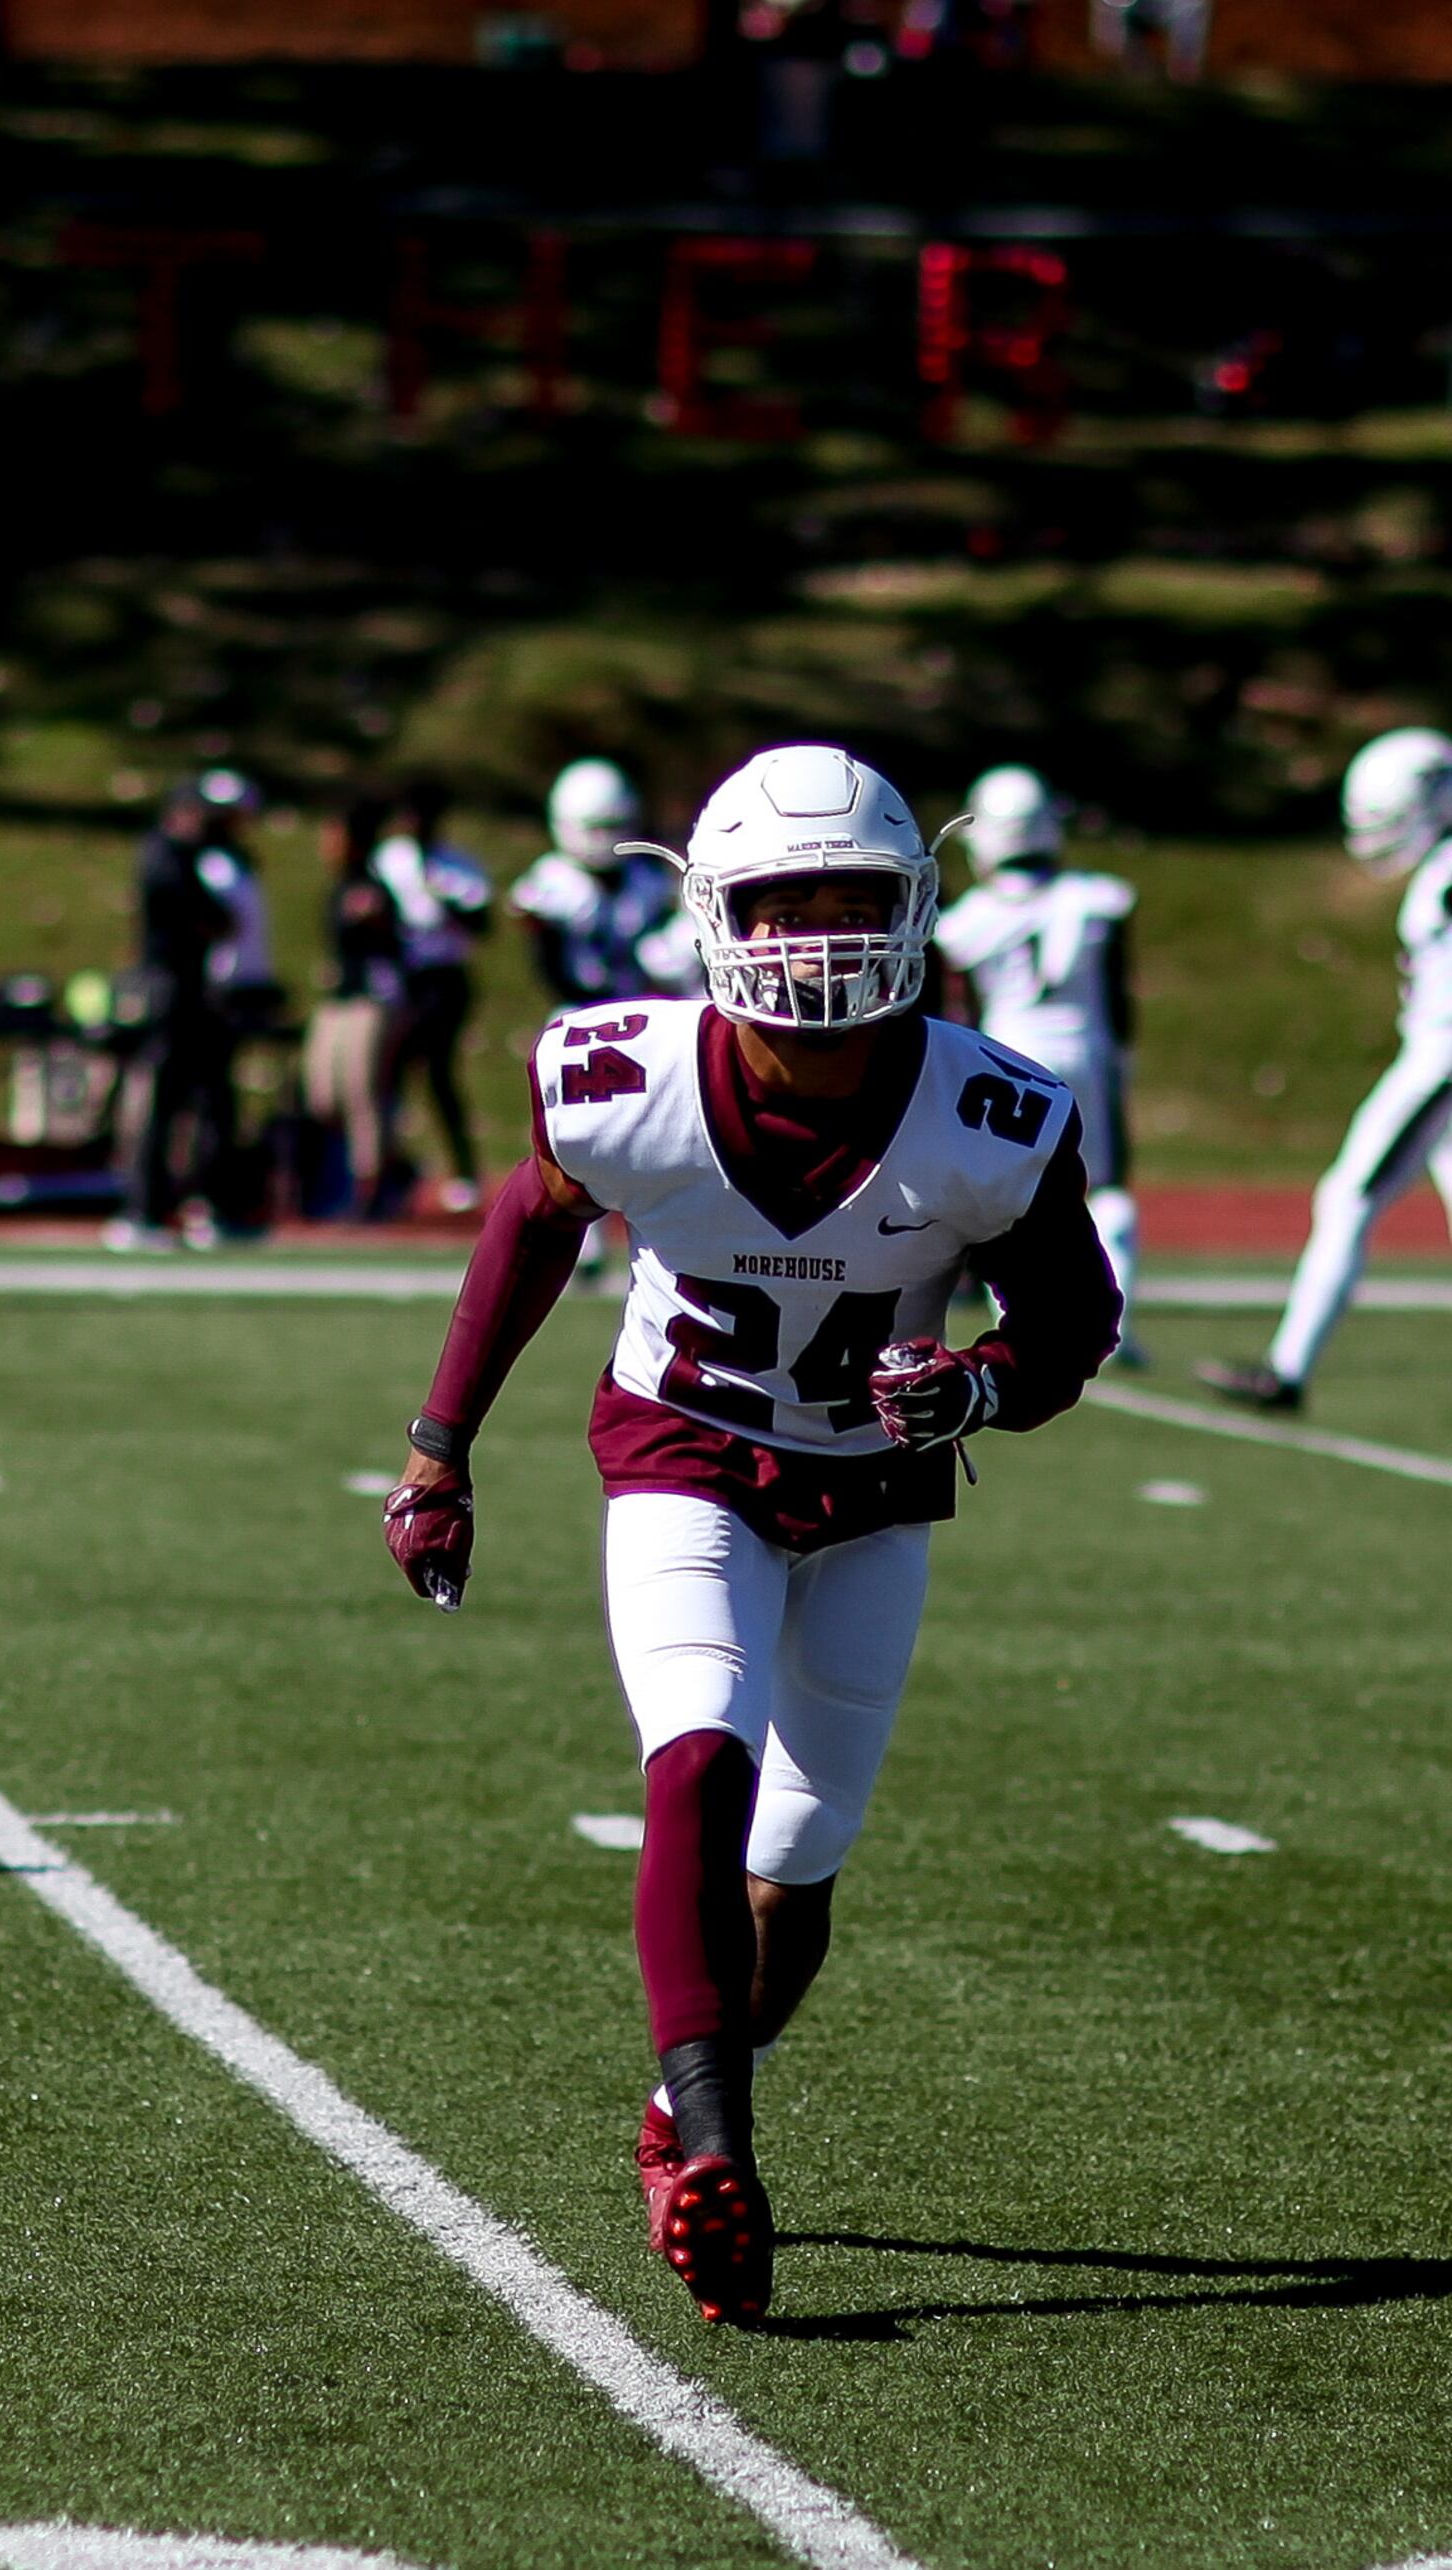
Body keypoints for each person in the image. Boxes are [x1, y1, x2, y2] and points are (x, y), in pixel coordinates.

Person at [379, 744, 1118, 2327]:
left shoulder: (989, 1110)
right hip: (685, 1454)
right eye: (786, 907)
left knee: (799, 1858)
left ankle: (680, 2109)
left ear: (919, 909)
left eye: (854, 903)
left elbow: (1077, 1317)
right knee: (696, 1754)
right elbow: (528, 1217)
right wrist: (442, 1448)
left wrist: (980, 1386)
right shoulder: (624, 1075)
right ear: (717, 916)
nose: (821, 941)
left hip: (869, 1495)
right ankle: (718, 2150)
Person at [1204, 727, 1452, 1413]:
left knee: (1348, 1198)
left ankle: (1287, 1372)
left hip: (1441, 1063)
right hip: (1434, 1058)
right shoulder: (1437, 868)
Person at [932, 765, 1143, 1357]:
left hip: (1004, 1058)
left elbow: (961, 1012)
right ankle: (1119, 1314)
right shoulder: (1096, 899)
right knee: (1106, 1187)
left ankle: (1012, 1314)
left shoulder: (967, 921)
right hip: (1085, 1049)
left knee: (1008, 1191)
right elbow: (1119, 996)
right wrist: (1122, 1059)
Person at [110, 779, 227, 1250]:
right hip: (169, 986)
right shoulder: (166, 856)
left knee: (188, 1097)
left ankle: (170, 1202)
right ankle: (143, 1207)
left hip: (182, 985)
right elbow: (201, 916)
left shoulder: (180, 857)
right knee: (159, 1098)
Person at [375, 780, 494, 1212]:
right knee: (389, 1075)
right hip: (400, 975)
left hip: (443, 977)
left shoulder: (458, 866)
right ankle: (391, 1166)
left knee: (438, 1070)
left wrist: (451, 908)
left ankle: (462, 1170)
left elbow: (483, 922)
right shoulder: (389, 860)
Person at [513, 757, 701, 1006]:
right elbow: (544, 951)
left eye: (614, 826)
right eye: (596, 828)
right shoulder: (554, 880)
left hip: (644, 1002)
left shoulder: (646, 875)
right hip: (581, 1006)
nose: (605, 839)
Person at [306, 797, 407, 1221]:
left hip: (370, 1001)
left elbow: (393, 942)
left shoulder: (372, 888)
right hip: (339, 999)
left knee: (362, 1095)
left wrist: (376, 920)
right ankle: (386, 1170)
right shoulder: (340, 887)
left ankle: (370, 1190)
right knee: (322, 1095)